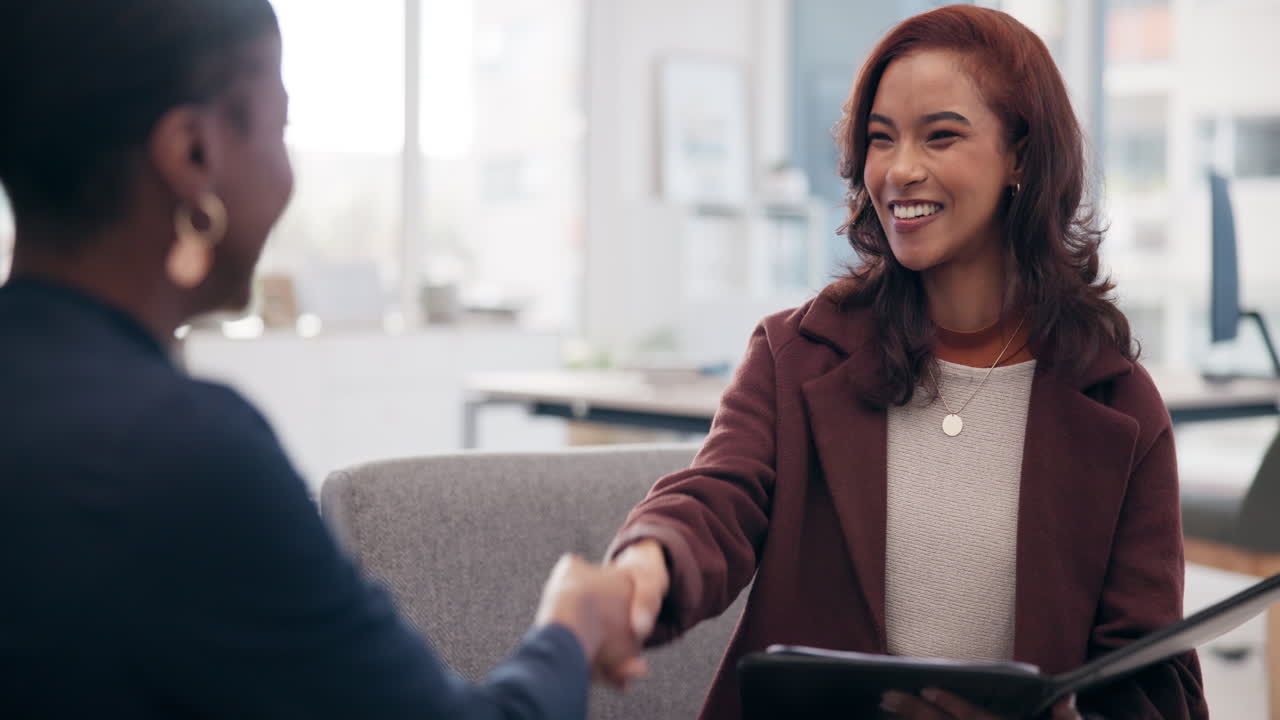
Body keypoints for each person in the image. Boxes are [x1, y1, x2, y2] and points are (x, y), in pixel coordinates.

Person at [0, 1, 644, 717]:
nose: (286, 169)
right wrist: (572, 626)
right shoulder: (185, 458)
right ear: (193, 155)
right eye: (281, 128)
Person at [606, 6, 1208, 720]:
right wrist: (647, 562)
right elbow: (716, 500)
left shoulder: (1118, 405)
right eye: (880, 139)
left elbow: (1154, 680)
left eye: (941, 136)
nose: (900, 170)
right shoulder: (795, 356)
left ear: (1021, 154)